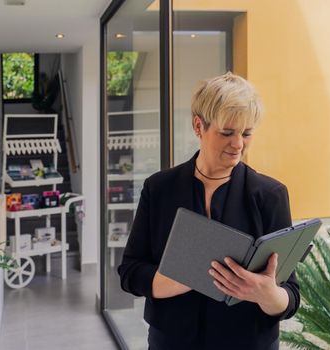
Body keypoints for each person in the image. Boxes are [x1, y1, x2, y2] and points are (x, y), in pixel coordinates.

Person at [118, 72, 298, 350]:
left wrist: (267, 294)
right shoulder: (159, 189)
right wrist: (177, 279)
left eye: (247, 133)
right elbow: (130, 271)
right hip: (172, 342)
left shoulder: (270, 195)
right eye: (227, 132)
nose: (238, 144)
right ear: (198, 126)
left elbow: (291, 295)